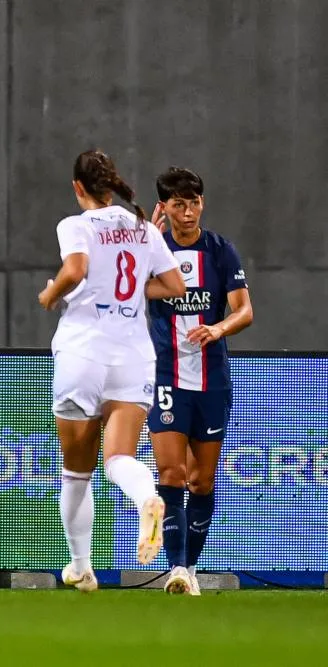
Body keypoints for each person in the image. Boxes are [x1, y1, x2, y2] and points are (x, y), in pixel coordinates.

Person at [38, 149, 186, 593]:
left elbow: (76, 268)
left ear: (78, 187)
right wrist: (132, 289)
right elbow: (175, 285)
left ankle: (81, 567)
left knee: (76, 471)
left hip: (83, 350)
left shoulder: (75, 224)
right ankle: (146, 498)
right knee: (120, 457)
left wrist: (50, 296)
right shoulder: (143, 227)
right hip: (134, 352)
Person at [146, 168, 253, 596]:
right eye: (178, 204)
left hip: (212, 378)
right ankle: (175, 568)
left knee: (202, 481)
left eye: (193, 203)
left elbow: (244, 310)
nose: (187, 212)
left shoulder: (220, 251)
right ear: (165, 207)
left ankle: (190, 567)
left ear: (202, 203)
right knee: (171, 472)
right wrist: (143, 247)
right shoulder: (153, 249)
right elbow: (126, 293)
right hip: (165, 374)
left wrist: (218, 329)